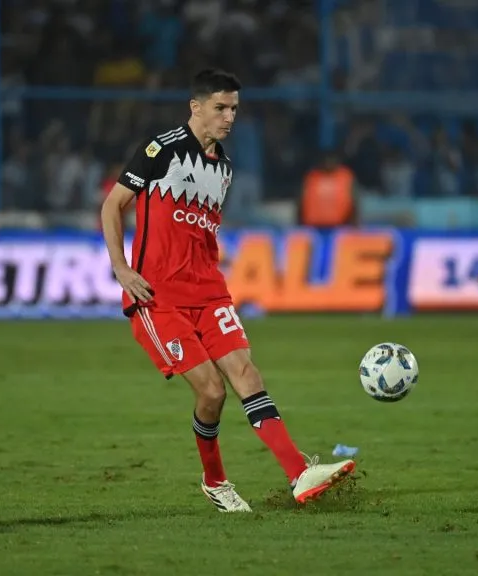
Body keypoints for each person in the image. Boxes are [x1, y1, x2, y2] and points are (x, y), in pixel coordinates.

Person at [100, 68, 356, 512]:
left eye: (234, 108)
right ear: (195, 107)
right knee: (212, 392)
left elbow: (200, 230)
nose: (229, 117)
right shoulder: (160, 150)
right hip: (157, 297)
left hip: (209, 292)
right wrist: (121, 268)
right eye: (220, 107)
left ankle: (299, 474)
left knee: (247, 375)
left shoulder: (225, 166)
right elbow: (112, 205)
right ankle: (215, 481)